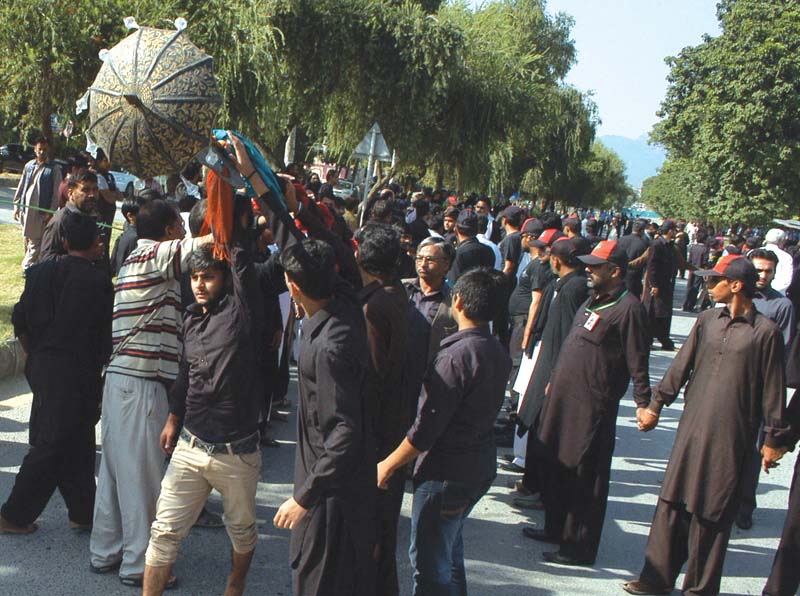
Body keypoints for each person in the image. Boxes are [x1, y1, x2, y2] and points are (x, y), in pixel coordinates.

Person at [624, 255, 791, 596]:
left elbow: (774, 389)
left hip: (732, 436)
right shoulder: (706, 320)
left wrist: (774, 438)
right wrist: (655, 404)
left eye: (714, 280)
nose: (707, 285)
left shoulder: (766, 333)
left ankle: (699, 589)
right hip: (691, 429)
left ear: (736, 285)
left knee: (712, 512)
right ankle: (655, 578)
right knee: (671, 503)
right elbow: (680, 366)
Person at [89, 200, 211, 587]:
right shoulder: (155, 254)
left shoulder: (130, 261)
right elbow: (205, 246)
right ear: (170, 227)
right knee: (142, 477)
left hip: (119, 383)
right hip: (141, 386)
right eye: (179, 224)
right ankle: (140, 565)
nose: (182, 230)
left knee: (113, 473)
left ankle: (105, 551)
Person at [377, 268, 512, 596]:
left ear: (459, 301)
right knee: (449, 551)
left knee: (430, 562)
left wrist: (387, 465)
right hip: (476, 466)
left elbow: (425, 430)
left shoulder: (455, 356)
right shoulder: (494, 349)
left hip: (446, 472)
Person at [142, 241, 263, 596]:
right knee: (163, 531)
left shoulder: (241, 314)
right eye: (194, 277)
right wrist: (173, 418)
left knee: (242, 531)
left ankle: (235, 584)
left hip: (236, 453)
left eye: (208, 277)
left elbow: (244, 272)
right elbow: (185, 372)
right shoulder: (191, 317)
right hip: (190, 447)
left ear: (225, 279)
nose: (199, 284)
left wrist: (232, 238)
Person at [530, 240, 652, 566]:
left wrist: (644, 403)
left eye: (596, 266)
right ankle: (554, 528)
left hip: (592, 406)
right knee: (558, 464)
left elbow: (638, 361)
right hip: (563, 399)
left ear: (614, 271)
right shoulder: (592, 300)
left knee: (585, 476)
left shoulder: (629, 309)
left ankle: (577, 546)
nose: (588, 270)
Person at [273, 238, 376, 596]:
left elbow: (344, 431)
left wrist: (304, 497)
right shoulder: (344, 301)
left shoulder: (330, 346)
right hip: (332, 485)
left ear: (293, 286)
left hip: (330, 497)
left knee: (318, 581)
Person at [0, 211, 112, 534]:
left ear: (63, 241)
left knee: (76, 439)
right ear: (95, 242)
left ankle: (83, 511)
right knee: (54, 442)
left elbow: (19, 318)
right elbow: (104, 336)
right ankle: (14, 514)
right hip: (76, 371)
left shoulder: (38, 272)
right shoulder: (98, 282)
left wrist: (32, 353)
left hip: (42, 364)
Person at [353, 223, 410, 596]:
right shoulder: (397, 296)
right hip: (393, 425)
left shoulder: (375, 306)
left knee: (371, 531)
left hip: (377, 432)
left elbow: (371, 376)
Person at [516, 237, 588, 508]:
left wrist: (555, 375)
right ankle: (531, 482)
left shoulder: (574, 288)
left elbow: (568, 333)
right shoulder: (563, 284)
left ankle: (541, 489)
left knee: (545, 427)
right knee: (534, 422)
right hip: (545, 359)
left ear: (557, 260)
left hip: (554, 367)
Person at [734, 248, 795, 530]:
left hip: (759, 388)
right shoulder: (738, 296)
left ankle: (744, 506)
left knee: (752, 451)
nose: (762, 275)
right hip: (732, 384)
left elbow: (781, 354)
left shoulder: (781, 306)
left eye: (768, 271)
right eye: (758, 270)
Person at [12, 137, 63, 270]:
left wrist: (50, 212)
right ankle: (34, 267)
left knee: (37, 241)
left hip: (41, 212)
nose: (42, 152)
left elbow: (56, 194)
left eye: (45, 149)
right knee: (28, 239)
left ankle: (27, 267)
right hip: (26, 210)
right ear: (35, 150)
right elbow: (21, 186)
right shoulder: (29, 166)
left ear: (48, 150)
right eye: (40, 149)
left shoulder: (54, 169)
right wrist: (16, 206)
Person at [40, 169, 100, 262]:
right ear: (71, 193)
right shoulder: (60, 221)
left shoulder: (92, 217)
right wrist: (84, 256)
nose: (92, 195)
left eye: (95, 189)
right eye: (86, 190)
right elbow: (46, 259)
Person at [643, 221, 678, 350]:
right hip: (657, 285)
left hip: (666, 284)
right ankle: (650, 338)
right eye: (674, 230)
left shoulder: (670, 245)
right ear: (669, 231)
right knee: (654, 312)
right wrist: (654, 285)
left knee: (663, 312)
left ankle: (664, 338)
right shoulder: (657, 245)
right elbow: (652, 266)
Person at [447, 209, 495, 283]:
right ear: (476, 230)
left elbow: (452, 282)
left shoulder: (458, 254)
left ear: (455, 229)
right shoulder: (489, 251)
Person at [110, 195, 148, 277]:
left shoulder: (125, 235)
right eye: (143, 212)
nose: (148, 215)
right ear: (130, 216)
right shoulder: (136, 238)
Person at [617, 219, 649, 299]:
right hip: (634, 280)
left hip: (618, 276)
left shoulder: (621, 240)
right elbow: (644, 265)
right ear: (642, 231)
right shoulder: (643, 244)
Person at [682, 229, 710, 312]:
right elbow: (705, 262)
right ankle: (691, 305)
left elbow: (689, 259)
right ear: (704, 240)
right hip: (700, 270)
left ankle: (685, 304)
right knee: (696, 288)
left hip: (691, 269)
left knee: (689, 287)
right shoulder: (705, 249)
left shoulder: (693, 247)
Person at [764, 228, 794, 294]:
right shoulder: (786, 257)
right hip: (776, 296)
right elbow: (786, 280)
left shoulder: (753, 252)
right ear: (781, 241)